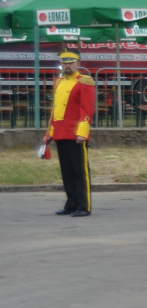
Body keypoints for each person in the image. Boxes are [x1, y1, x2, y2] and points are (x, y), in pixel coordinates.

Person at [47, 51, 95, 217]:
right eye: (64, 63)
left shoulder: (85, 81)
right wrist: (50, 132)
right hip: (61, 133)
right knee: (66, 172)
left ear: (77, 64)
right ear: (61, 64)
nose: (67, 66)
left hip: (76, 134)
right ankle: (71, 203)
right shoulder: (58, 82)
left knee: (80, 172)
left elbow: (87, 109)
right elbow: (56, 110)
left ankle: (84, 205)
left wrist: (82, 133)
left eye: (70, 63)